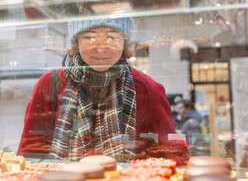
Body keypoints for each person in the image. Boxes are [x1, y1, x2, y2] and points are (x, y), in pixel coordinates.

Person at [18, 17, 181, 161]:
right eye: (90, 37)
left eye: (111, 37)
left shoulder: (147, 89)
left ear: (124, 42)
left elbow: (172, 154)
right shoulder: (50, 83)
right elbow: (29, 155)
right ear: (77, 41)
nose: (101, 48)